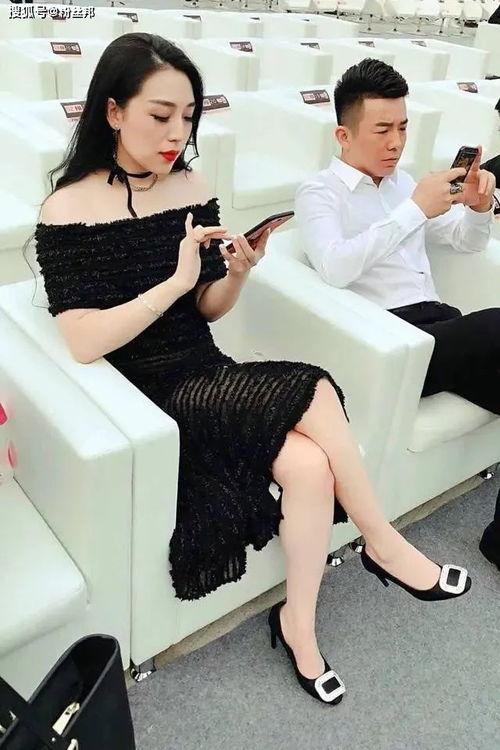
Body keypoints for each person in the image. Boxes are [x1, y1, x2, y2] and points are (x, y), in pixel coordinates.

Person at [35, 36, 471, 705]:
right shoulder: (67, 207)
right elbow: (83, 341)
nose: (177, 134)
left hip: (205, 371)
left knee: (310, 466)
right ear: (114, 112)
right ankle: (382, 540)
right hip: (142, 392)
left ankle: (298, 624)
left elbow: (208, 310)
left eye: (188, 117)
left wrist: (235, 273)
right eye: (160, 115)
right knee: (313, 386)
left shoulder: (192, 186)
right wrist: (175, 281)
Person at [295, 58, 499, 575]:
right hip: (391, 341)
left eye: (403, 127)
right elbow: (335, 265)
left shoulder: (404, 182)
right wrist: (413, 209)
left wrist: (478, 210)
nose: (396, 142)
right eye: (382, 129)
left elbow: (464, 243)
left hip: (442, 329)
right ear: (344, 134)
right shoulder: (320, 192)